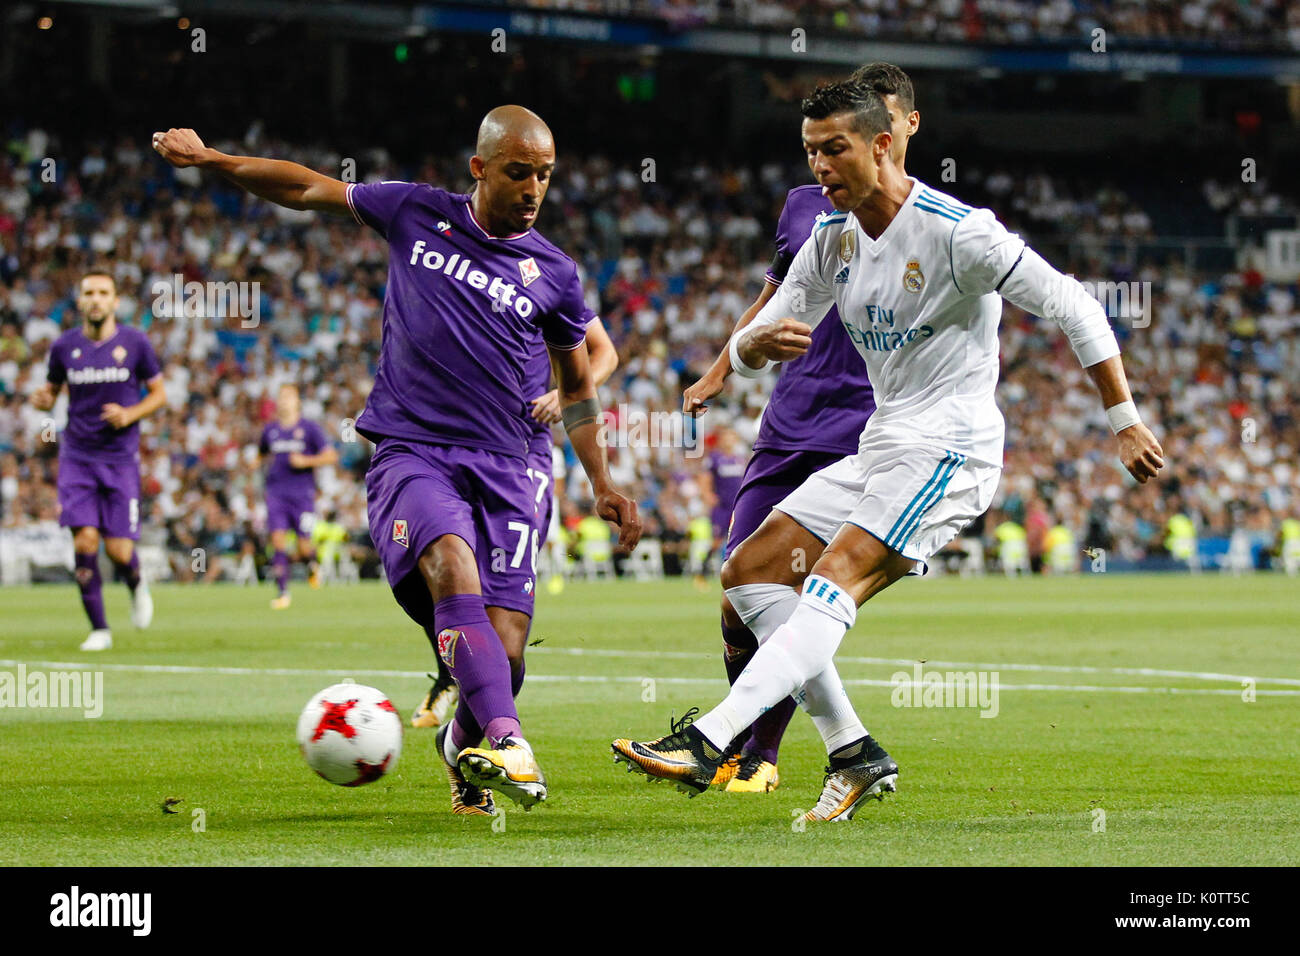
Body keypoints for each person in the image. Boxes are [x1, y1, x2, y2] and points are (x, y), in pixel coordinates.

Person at [613, 79, 1163, 821]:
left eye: (834, 149)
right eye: (811, 152)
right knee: (749, 573)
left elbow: (1074, 304)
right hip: (885, 442)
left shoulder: (959, 232)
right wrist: (749, 345)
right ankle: (853, 751)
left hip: (953, 449)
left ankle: (712, 739)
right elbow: (766, 331)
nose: (821, 168)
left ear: (882, 144)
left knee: (831, 579)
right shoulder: (832, 241)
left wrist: (1123, 418)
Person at [153, 106, 640, 813]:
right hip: (417, 450)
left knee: (504, 654)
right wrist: (214, 161)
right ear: (480, 168)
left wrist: (602, 480)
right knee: (448, 561)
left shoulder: (556, 274)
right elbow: (307, 189)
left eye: (545, 175)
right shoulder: (415, 212)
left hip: (515, 463)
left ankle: (462, 744)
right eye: (518, 172)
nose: (534, 188)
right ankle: (507, 740)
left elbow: (579, 383)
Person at [680, 62, 917, 794]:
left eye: (873, 127)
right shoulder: (801, 209)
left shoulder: (934, 224)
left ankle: (760, 753)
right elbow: (775, 293)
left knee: (796, 591)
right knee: (737, 591)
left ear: (904, 127)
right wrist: (724, 365)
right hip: (788, 421)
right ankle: (763, 746)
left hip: (859, 431)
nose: (856, 148)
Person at [411, 318, 618, 730]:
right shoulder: (456, 271)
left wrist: (565, 393)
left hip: (523, 451)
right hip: (451, 443)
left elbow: (605, 352)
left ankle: (468, 727)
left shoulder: (547, 277)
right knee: (442, 570)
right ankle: (447, 678)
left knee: (502, 628)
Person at [31, 272, 166, 651]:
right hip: (77, 456)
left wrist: (130, 413)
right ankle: (100, 629)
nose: (96, 299)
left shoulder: (135, 343)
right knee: (85, 538)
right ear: (79, 300)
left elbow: (159, 394)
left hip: (120, 459)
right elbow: (51, 391)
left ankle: (136, 583)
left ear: (115, 301)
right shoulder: (64, 347)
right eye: (88, 292)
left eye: (103, 293)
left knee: (119, 550)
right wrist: (43, 401)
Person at [259, 383, 338, 608]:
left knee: (303, 546)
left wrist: (306, 461)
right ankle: (283, 592)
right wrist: (253, 463)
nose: (283, 401)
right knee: (278, 540)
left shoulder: (310, 429)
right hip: (276, 494)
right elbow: (262, 453)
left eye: (288, 397)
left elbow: (331, 456)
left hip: (302, 495)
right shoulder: (270, 430)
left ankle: (313, 564)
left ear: (297, 402)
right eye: (281, 397)